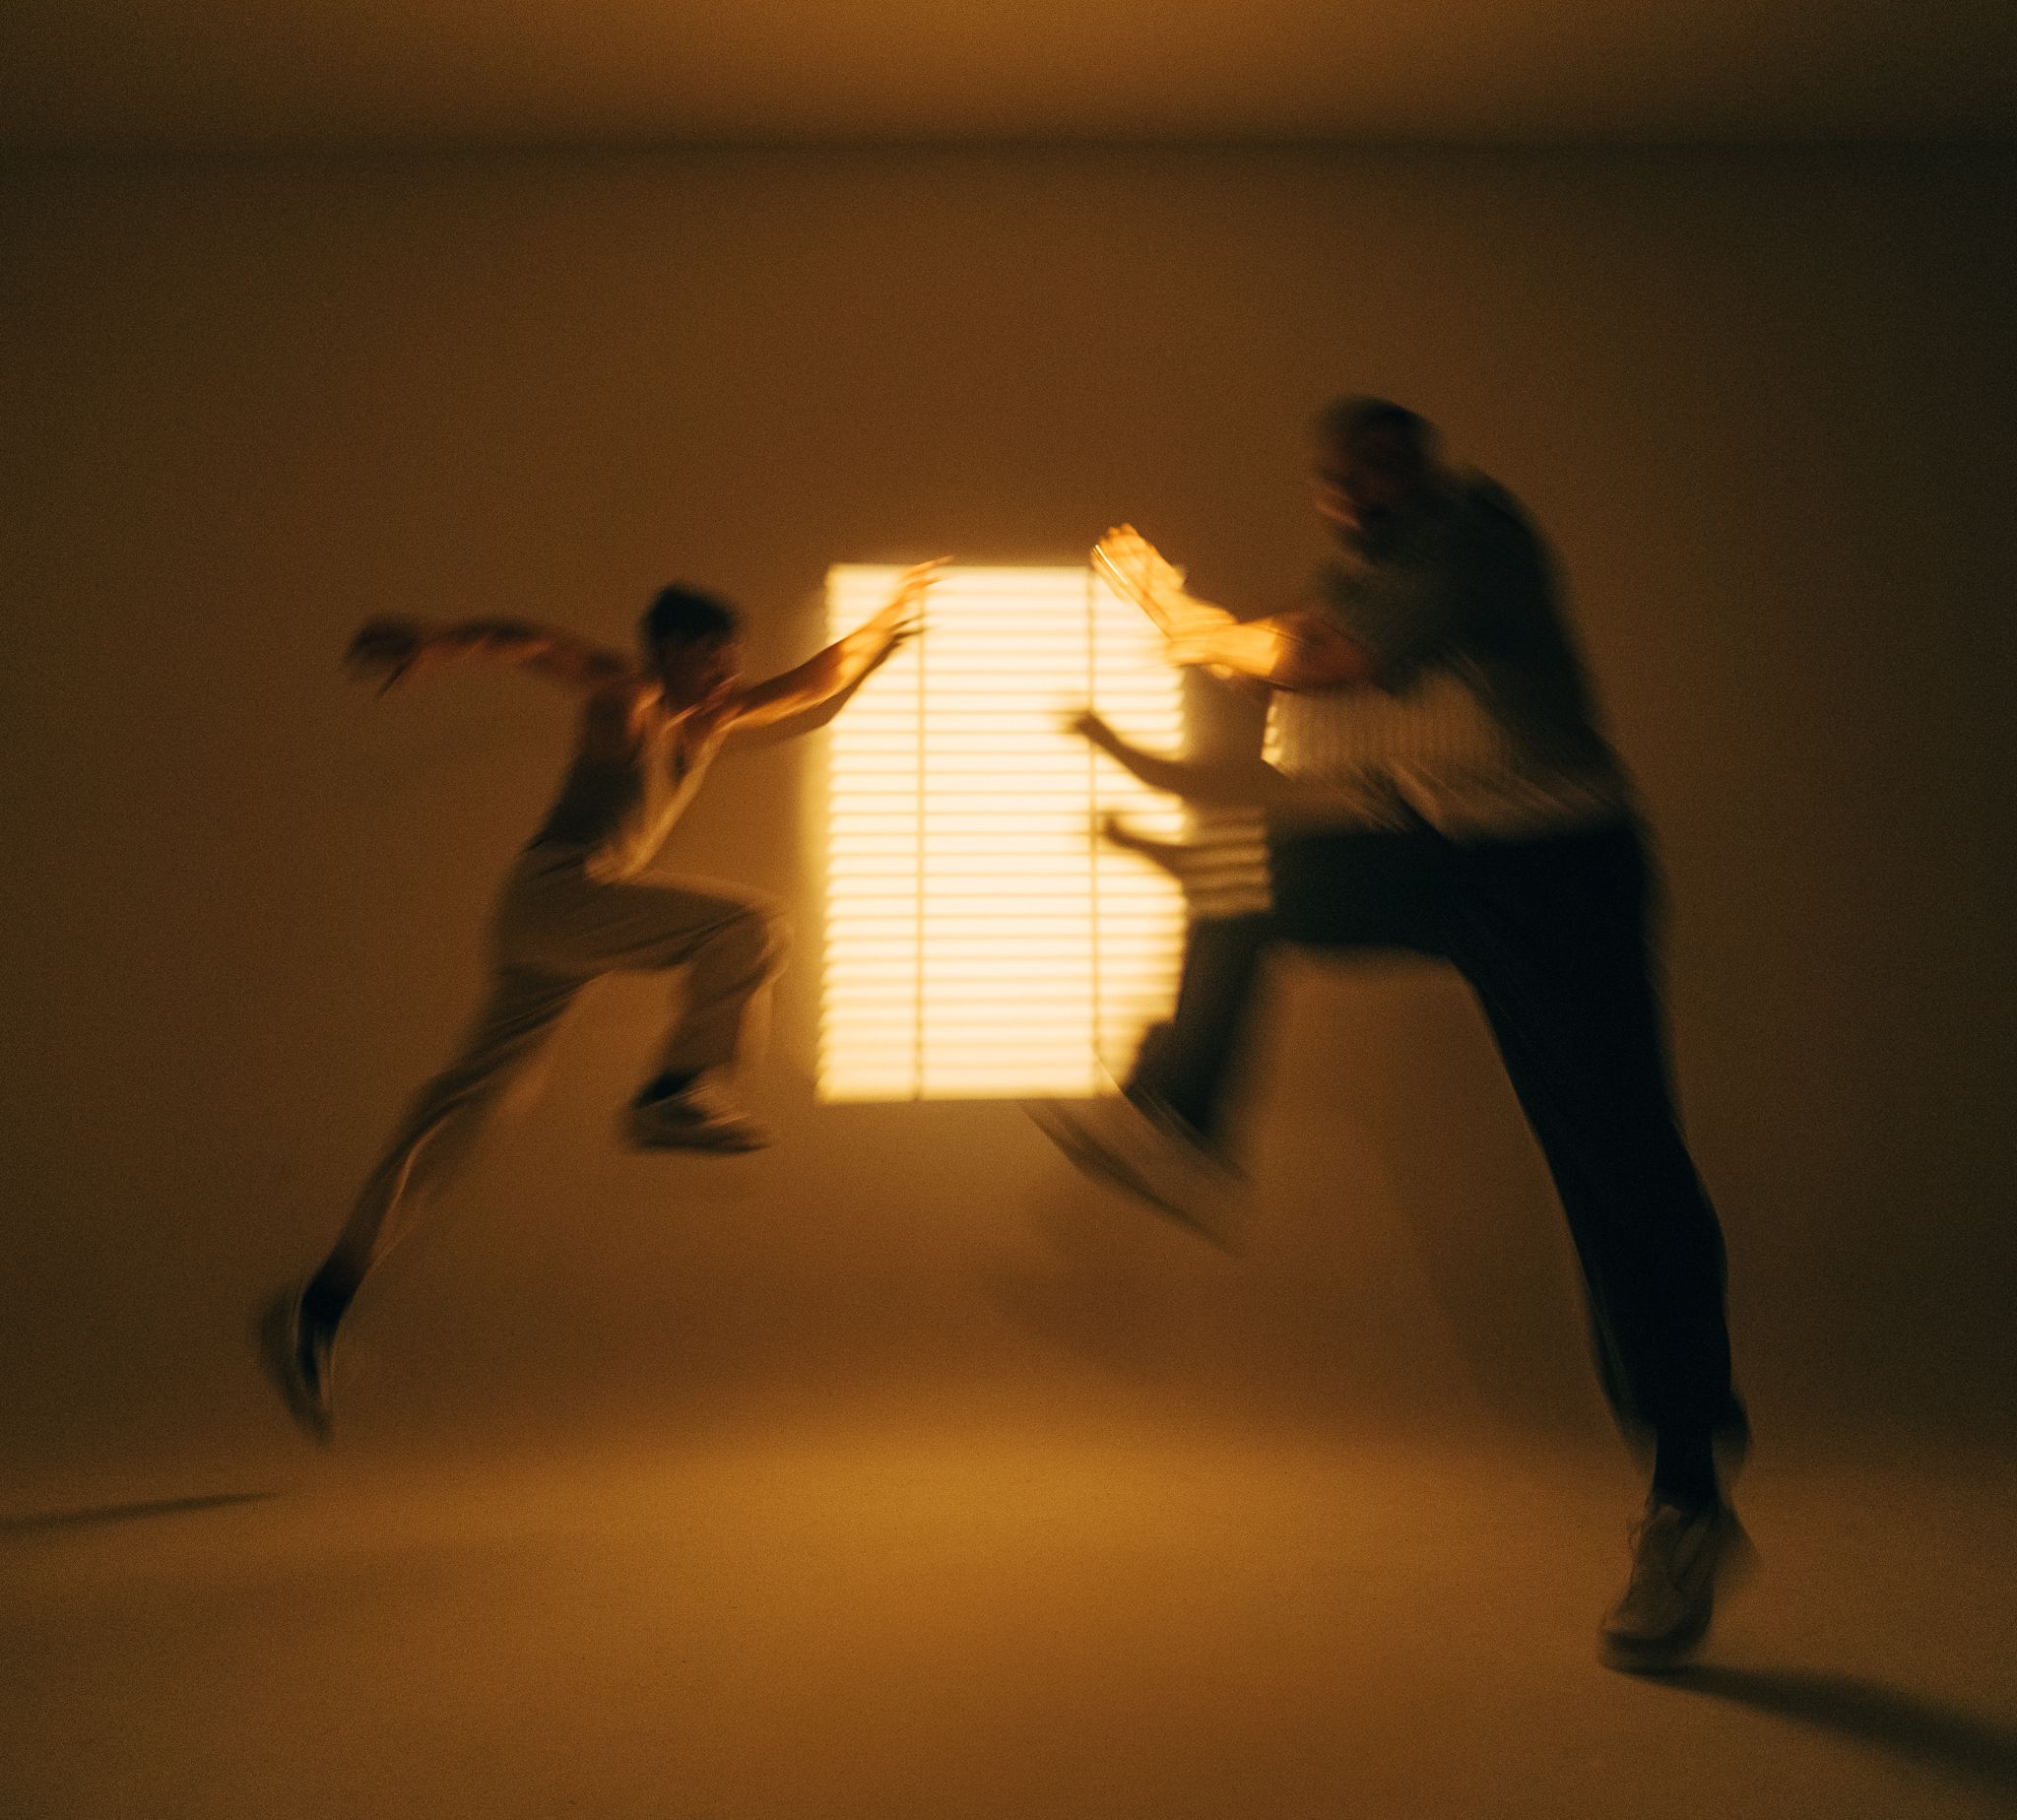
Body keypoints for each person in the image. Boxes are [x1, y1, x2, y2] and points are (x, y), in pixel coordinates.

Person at [1032, 398, 1749, 1670]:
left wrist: (1187, 623)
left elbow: (1320, 660)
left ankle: (1687, 1496)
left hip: (1561, 879)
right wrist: (1180, 635)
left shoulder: (1474, 540)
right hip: (1442, 857)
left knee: (1618, 1168)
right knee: (1238, 877)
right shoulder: (1360, 576)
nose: (1358, 492)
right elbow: (1288, 666)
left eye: (1380, 468)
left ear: (1424, 465)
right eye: (1338, 477)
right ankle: (1178, 1112)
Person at [260, 564, 937, 1440]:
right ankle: (674, 1092)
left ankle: (321, 1304)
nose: (727, 677)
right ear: (670, 652)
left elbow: (811, 683)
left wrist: (887, 622)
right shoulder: (629, 696)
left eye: (732, 663)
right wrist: (438, 642)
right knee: (752, 929)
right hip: (564, 896)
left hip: (549, 930)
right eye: (713, 660)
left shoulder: (712, 718)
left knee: (468, 1112)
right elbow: (534, 644)